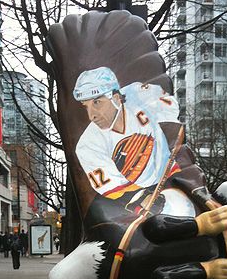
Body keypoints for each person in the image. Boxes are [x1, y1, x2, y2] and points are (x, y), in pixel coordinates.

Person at [73, 66, 181, 206]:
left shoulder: (139, 94)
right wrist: (148, 201)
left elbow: (173, 118)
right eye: (85, 106)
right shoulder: (87, 145)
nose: (91, 115)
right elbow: (118, 191)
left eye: (97, 102)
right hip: (145, 198)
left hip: (172, 175)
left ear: (116, 98)